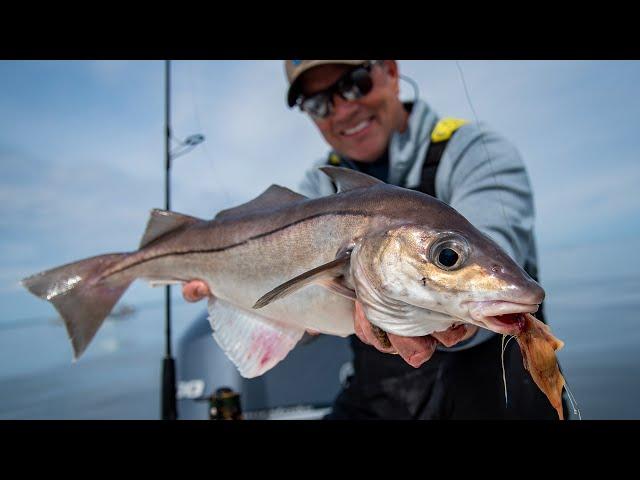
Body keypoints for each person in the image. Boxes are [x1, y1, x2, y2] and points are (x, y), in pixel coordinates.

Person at [183, 60, 567, 420]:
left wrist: (461, 317)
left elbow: (498, 240)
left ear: (391, 70)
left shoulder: (472, 150)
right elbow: (298, 309)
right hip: (380, 398)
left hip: (490, 393)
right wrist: (227, 283)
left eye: (355, 84)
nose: (342, 110)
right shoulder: (318, 188)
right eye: (317, 103)